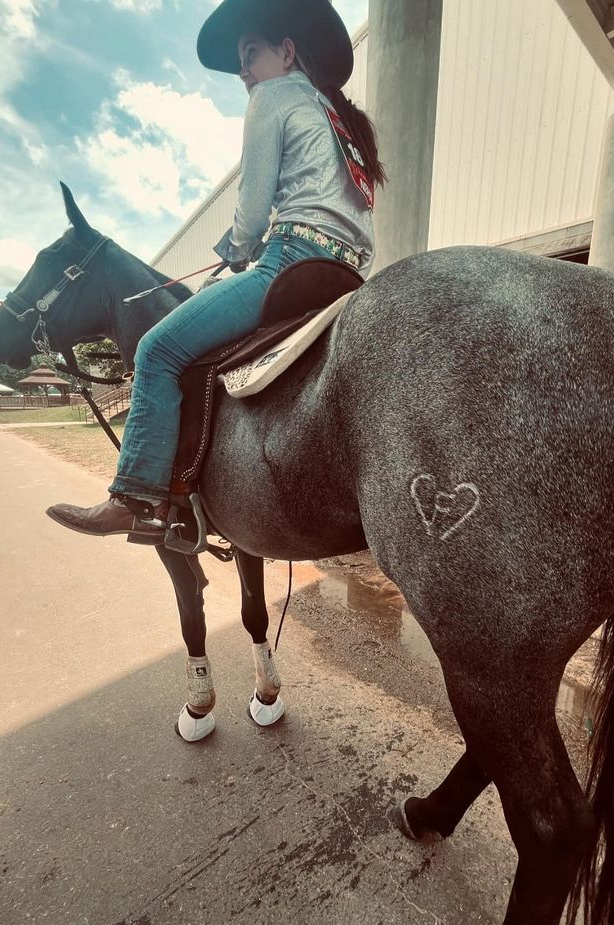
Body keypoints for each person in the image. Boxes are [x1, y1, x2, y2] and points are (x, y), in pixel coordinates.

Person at [47, 0, 386, 541]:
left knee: (156, 350)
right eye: (240, 65)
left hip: (289, 264)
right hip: (344, 274)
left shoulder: (275, 96)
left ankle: (136, 497)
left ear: (287, 51)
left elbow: (252, 215)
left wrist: (236, 246)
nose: (245, 73)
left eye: (250, 55)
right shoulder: (340, 120)